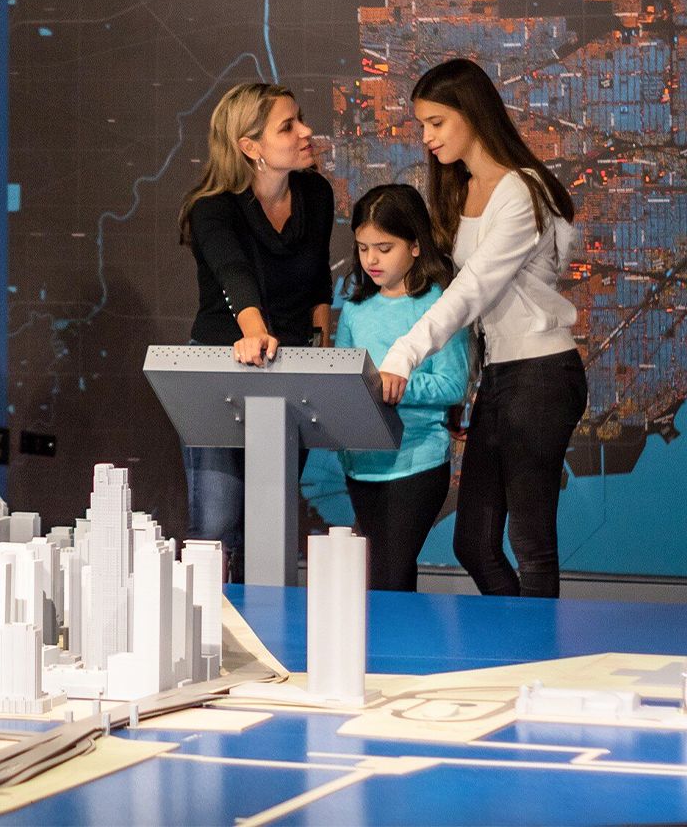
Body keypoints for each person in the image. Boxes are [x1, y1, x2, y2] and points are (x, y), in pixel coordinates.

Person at [379, 58, 585, 598]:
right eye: (423, 124)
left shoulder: (523, 189)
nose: (426, 138)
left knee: (531, 543)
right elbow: (471, 308)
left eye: (436, 122)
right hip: (501, 378)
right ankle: (520, 649)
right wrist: (463, 393)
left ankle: (536, 671)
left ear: (471, 114)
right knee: (472, 542)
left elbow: (472, 291)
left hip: (541, 373)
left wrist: (403, 354)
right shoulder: (462, 189)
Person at [176, 82, 334, 573]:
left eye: (300, 119)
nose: (306, 132)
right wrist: (254, 332)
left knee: (269, 523)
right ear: (250, 147)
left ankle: (262, 639)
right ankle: (206, 638)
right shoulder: (212, 207)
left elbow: (318, 279)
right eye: (288, 126)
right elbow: (233, 275)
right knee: (219, 521)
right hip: (223, 364)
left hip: (287, 371)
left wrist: (321, 346)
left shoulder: (316, 193)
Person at [335, 184, 469, 592]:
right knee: (384, 578)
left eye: (383, 247)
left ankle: (400, 652)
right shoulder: (355, 309)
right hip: (362, 464)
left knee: (390, 574)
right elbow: (342, 376)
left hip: (417, 460)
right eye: (362, 248)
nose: (371, 259)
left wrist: (396, 385)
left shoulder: (439, 304)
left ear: (415, 246)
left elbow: (453, 383)